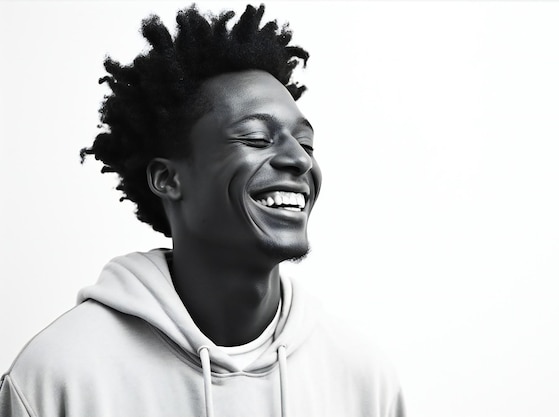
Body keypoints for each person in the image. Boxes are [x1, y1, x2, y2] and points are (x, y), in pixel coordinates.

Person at [0, 4, 404, 417]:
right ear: (168, 179)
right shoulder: (58, 377)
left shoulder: (362, 380)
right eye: (255, 137)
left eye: (306, 144)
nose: (299, 160)